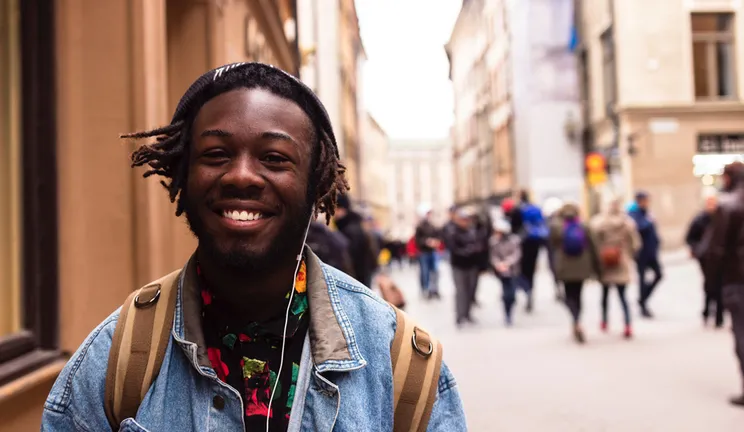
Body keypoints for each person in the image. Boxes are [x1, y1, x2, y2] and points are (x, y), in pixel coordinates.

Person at [41, 63, 466, 431]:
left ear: (316, 184)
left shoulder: (403, 369)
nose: (242, 175)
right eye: (216, 153)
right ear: (182, 176)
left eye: (275, 158)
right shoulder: (116, 362)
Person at [701, 161, 744, 407]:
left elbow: (716, 250)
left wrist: (710, 284)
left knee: (741, 333)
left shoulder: (728, 206)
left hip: (737, 280)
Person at [590, 196, 641, 339]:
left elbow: (594, 242)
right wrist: (627, 255)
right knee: (623, 296)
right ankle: (627, 325)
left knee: (604, 295)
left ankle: (605, 321)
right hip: (622, 261)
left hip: (605, 262)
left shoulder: (599, 223)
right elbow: (636, 244)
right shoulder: (627, 223)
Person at [550, 202, 599, 344]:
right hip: (582, 267)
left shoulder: (556, 227)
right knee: (578, 295)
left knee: (568, 295)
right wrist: (597, 269)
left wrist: (553, 270)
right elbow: (594, 247)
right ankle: (577, 321)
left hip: (564, 268)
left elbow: (551, 249)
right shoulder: (583, 226)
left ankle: (575, 320)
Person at [686, 194, 723, 328]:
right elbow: (690, 238)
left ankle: (719, 316)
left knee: (719, 286)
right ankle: (707, 312)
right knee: (709, 286)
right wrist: (697, 250)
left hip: (719, 257)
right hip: (705, 258)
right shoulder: (700, 219)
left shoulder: (722, 218)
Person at [443, 206, 484, 327]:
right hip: (459, 264)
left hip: (472, 264)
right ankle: (460, 316)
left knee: (471, 290)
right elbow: (452, 248)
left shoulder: (473, 231)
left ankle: (468, 314)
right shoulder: (452, 231)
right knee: (461, 291)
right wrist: (467, 251)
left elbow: (480, 241)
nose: (465, 222)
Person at [628, 191, 662, 318]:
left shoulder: (647, 212)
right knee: (642, 279)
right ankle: (642, 304)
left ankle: (642, 298)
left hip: (651, 251)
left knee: (659, 275)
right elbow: (638, 228)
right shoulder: (633, 213)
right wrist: (649, 222)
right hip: (641, 253)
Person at [334, 194, 379, 288]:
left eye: (335, 208)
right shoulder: (356, 224)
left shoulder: (349, 230)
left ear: (342, 209)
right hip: (363, 277)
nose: (333, 213)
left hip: (356, 279)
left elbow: (350, 259)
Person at [516, 190, 548, 313]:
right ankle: (530, 292)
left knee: (522, 270)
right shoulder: (536, 209)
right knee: (531, 271)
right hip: (535, 243)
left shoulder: (519, 210)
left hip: (523, 243)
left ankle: (526, 290)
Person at [489, 219, 521, 326]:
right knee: (506, 292)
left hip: (512, 269)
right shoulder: (494, 241)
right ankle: (507, 313)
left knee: (512, 293)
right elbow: (493, 255)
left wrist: (507, 263)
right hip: (501, 271)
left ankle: (511, 307)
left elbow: (517, 254)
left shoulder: (514, 240)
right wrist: (498, 264)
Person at [415, 205, 442, 299]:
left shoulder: (432, 226)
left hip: (432, 252)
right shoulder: (420, 226)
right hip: (424, 252)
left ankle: (434, 289)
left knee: (435, 271)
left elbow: (438, 236)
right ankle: (425, 289)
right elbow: (417, 240)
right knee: (424, 272)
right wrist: (426, 242)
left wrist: (436, 242)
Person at [543, 197, 565, 301]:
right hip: (563, 251)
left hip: (553, 251)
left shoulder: (548, 223)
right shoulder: (565, 221)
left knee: (554, 271)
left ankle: (558, 288)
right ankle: (561, 288)